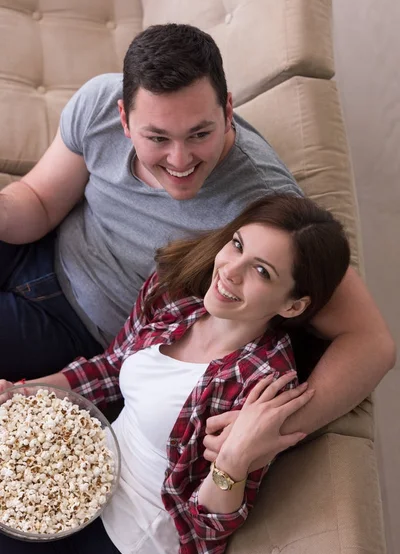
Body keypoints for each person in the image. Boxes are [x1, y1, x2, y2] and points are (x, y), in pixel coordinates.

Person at [0, 25, 395, 444]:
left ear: (228, 110)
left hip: (79, 330)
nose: (180, 159)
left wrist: (269, 430)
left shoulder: (263, 205)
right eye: (157, 138)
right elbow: (40, 202)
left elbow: (372, 343)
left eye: (200, 134)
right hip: (40, 249)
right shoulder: (98, 103)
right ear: (124, 119)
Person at [0, 195, 351, 554]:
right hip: (74, 482)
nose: (230, 271)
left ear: (292, 306)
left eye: (262, 272)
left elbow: (209, 528)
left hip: (127, 549)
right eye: (237, 245)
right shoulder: (175, 296)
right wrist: (21, 393)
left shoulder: (262, 381)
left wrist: (232, 462)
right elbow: (111, 367)